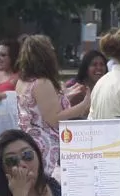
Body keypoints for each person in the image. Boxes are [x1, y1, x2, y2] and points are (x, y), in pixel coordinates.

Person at [15, 35, 92, 170]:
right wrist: (84, 104)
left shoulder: (22, 82)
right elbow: (54, 119)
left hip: (29, 142)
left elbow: (38, 109)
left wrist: (65, 95)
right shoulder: (42, 83)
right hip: (46, 145)